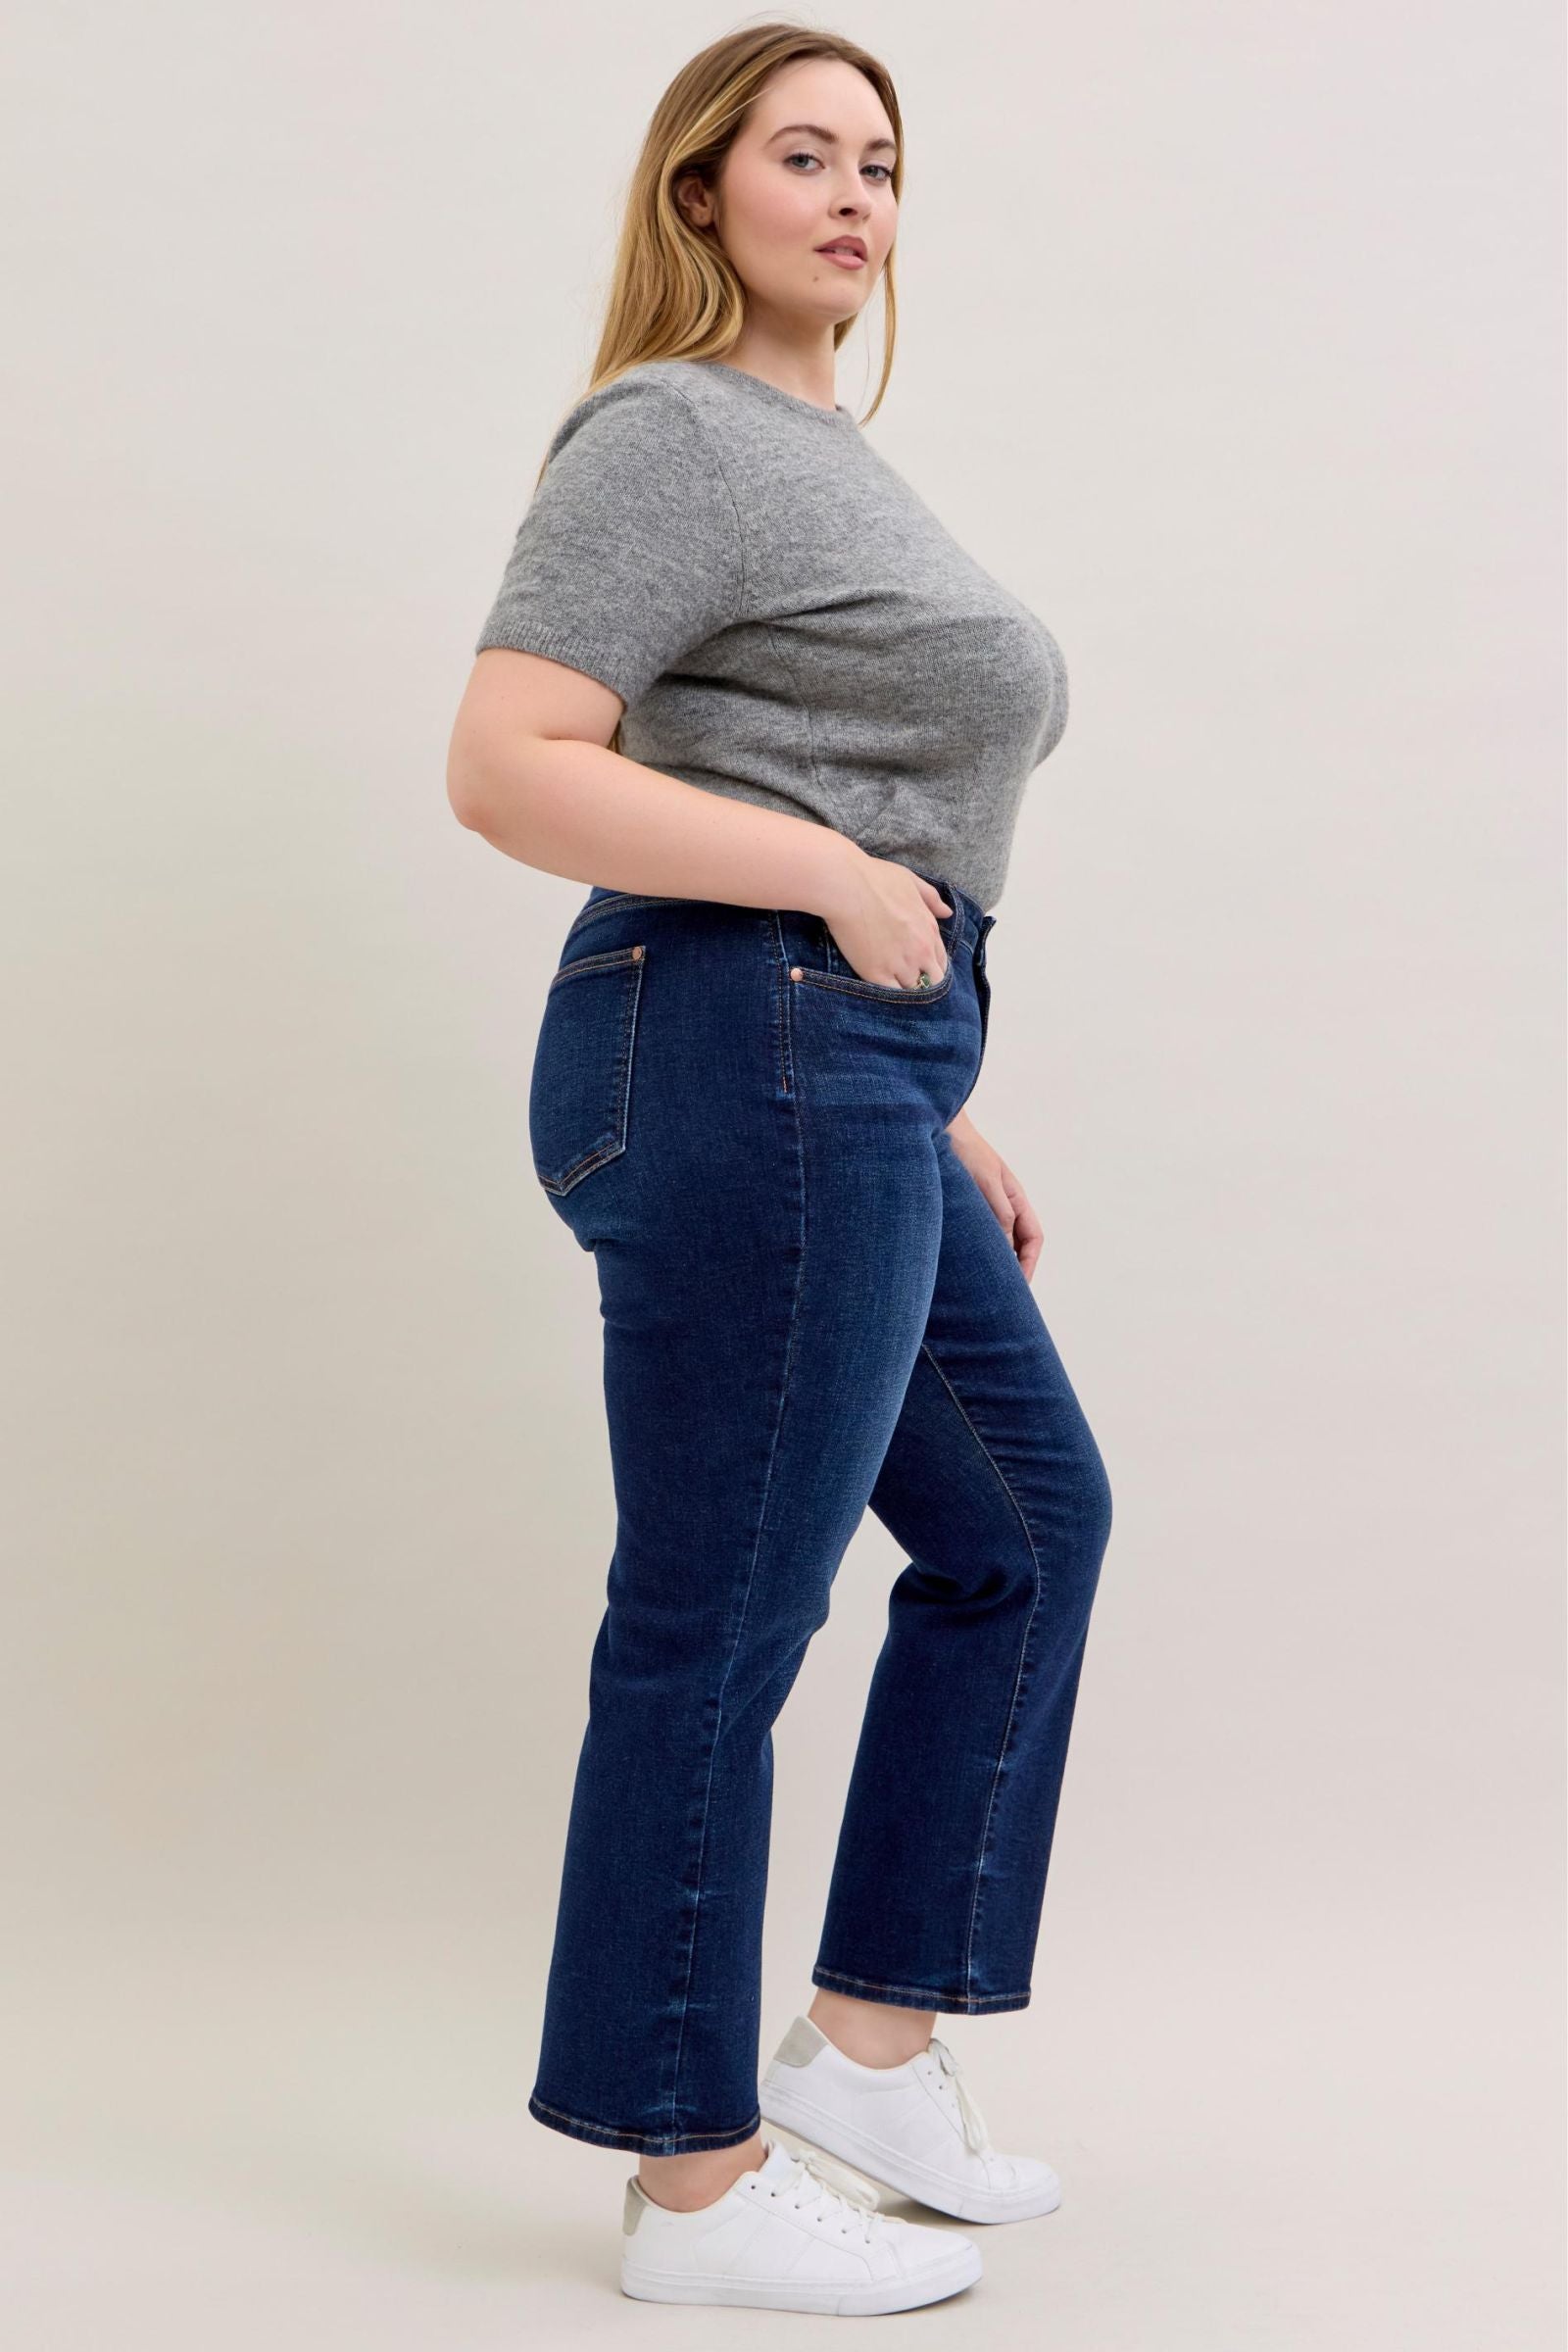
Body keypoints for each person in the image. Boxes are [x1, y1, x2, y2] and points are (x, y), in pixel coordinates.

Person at [445, 24, 1112, 2319]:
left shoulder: (830, 463)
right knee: (718, 1614)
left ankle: (867, 2058)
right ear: (699, 193)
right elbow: (508, 758)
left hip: (847, 1068)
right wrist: (825, 887)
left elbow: (843, 800)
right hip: (737, 1042)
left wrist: (928, 1095)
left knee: (1021, 1529)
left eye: (880, 165)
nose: (851, 196)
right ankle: (690, 2181)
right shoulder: (671, 433)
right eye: (802, 154)